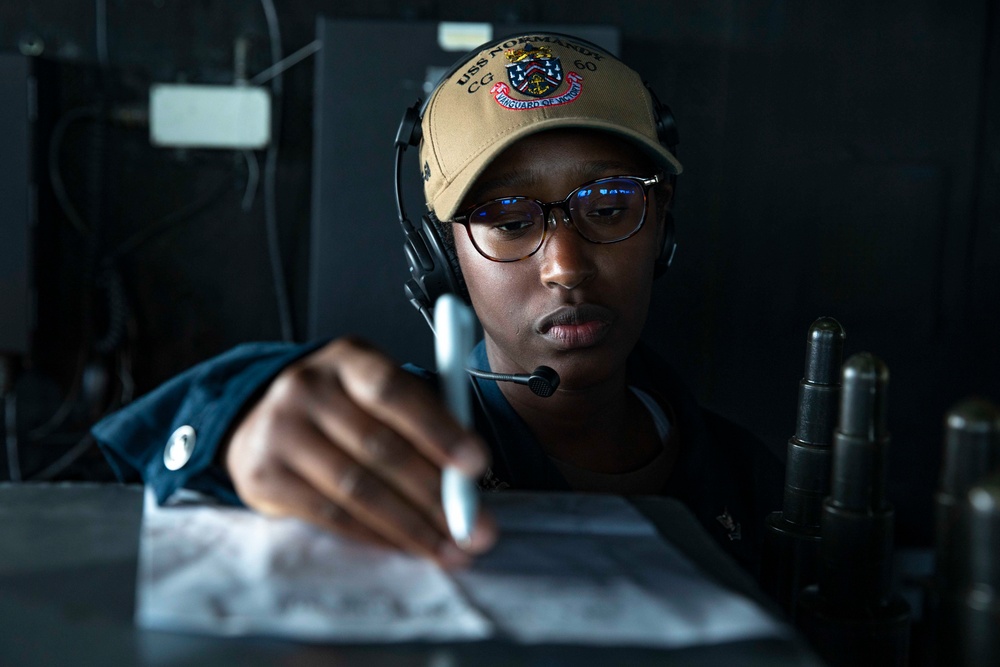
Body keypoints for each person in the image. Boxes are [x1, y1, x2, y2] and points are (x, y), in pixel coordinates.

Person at [93, 32, 783, 577]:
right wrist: (236, 416)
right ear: (440, 253)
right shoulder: (389, 451)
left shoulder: (755, 483)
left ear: (661, 223)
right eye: (509, 220)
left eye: (608, 206)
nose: (566, 266)